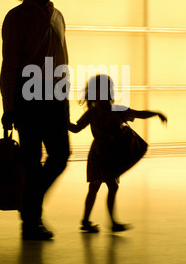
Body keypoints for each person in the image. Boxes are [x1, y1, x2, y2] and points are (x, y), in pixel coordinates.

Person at [0, 0, 70, 240]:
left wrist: (64, 97)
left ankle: (29, 206)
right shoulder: (16, 18)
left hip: (53, 97)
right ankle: (31, 221)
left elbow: (63, 59)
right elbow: (10, 64)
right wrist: (9, 107)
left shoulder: (58, 16)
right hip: (28, 99)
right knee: (32, 160)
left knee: (60, 155)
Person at [68, 74, 167, 233]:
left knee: (99, 187)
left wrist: (155, 113)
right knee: (106, 186)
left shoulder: (107, 111)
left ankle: (89, 221)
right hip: (102, 154)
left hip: (107, 153)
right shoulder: (100, 112)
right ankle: (105, 222)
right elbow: (76, 128)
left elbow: (138, 113)